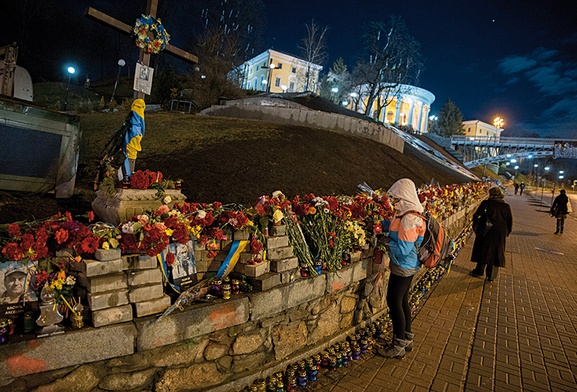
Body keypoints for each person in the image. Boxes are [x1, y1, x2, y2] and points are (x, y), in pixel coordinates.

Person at [377, 178, 426, 359]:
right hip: (410, 265)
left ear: (405, 198)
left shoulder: (409, 219)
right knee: (403, 300)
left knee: (394, 302)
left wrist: (386, 242)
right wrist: (382, 225)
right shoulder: (410, 213)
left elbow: (404, 250)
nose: (394, 203)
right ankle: (407, 338)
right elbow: (394, 225)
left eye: (397, 199)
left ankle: (398, 346)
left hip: (404, 265)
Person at [471, 186, 513, 281]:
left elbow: (477, 215)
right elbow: (509, 221)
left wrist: (476, 227)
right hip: (499, 232)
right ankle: (491, 275)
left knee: (483, 250)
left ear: (492, 194)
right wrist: (507, 232)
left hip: (486, 231)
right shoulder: (506, 207)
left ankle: (479, 270)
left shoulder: (486, 204)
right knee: (496, 252)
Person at [122, 98, 146, 183]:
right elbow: (143, 125)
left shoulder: (133, 110)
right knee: (132, 153)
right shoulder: (141, 111)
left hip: (131, 132)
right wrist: (141, 134)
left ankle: (128, 175)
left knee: (129, 151)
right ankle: (129, 174)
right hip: (137, 133)